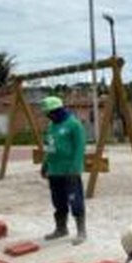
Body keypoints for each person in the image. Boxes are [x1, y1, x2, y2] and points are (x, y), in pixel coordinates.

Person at [41, 96, 87, 244]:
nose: (48, 116)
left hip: (70, 171)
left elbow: (80, 148)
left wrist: (75, 168)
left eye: (50, 113)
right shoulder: (51, 126)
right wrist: (45, 164)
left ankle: (81, 231)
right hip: (54, 172)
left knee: (75, 200)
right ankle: (61, 229)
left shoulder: (74, 125)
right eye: (47, 113)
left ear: (59, 110)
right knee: (58, 201)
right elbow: (49, 147)